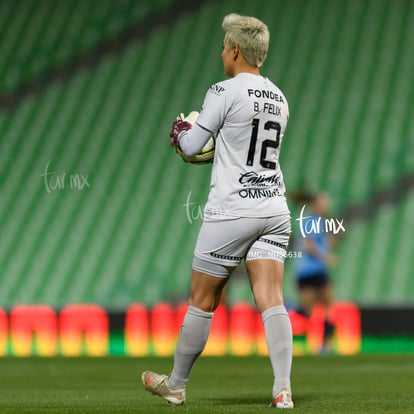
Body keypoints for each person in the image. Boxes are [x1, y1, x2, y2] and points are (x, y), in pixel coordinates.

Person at [142, 13, 294, 409]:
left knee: (202, 299)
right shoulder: (279, 97)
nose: (222, 51)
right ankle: (282, 389)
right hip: (275, 207)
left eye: (224, 46)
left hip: (232, 210)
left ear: (236, 51)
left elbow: (192, 147)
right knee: (271, 298)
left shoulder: (223, 91)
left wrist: (180, 134)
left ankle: (175, 385)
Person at [295, 192, 338, 352]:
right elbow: (310, 245)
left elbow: (324, 242)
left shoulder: (321, 222)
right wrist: (326, 258)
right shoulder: (309, 221)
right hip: (308, 270)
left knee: (326, 305)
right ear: (316, 204)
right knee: (307, 310)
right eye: (323, 202)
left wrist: (332, 241)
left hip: (316, 271)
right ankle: (286, 333)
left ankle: (325, 344)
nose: (326, 205)